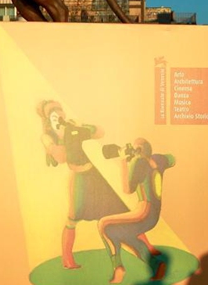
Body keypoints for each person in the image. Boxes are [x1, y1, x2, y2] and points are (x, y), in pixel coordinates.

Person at [38, 100, 130, 269]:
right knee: (73, 217)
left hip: (95, 175)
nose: (57, 113)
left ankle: (147, 250)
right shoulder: (48, 137)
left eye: (59, 110)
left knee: (119, 209)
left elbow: (100, 132)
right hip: (79, 178)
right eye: (52, 112)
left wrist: (78, 127)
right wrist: (61, 136)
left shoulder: (73, 126)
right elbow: (61, 158)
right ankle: (67, 259)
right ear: (46, 118)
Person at [97, 138, 173, 283]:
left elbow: (127, 189)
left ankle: (118, 269)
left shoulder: (138, 163)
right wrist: (155, 161)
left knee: (103, 224)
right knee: (121, 234)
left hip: (144, 212)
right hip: (154, 214)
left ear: (138, 151)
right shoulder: (158, 159)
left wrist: (123, 161)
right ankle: (156, 265)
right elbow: (172, 159)